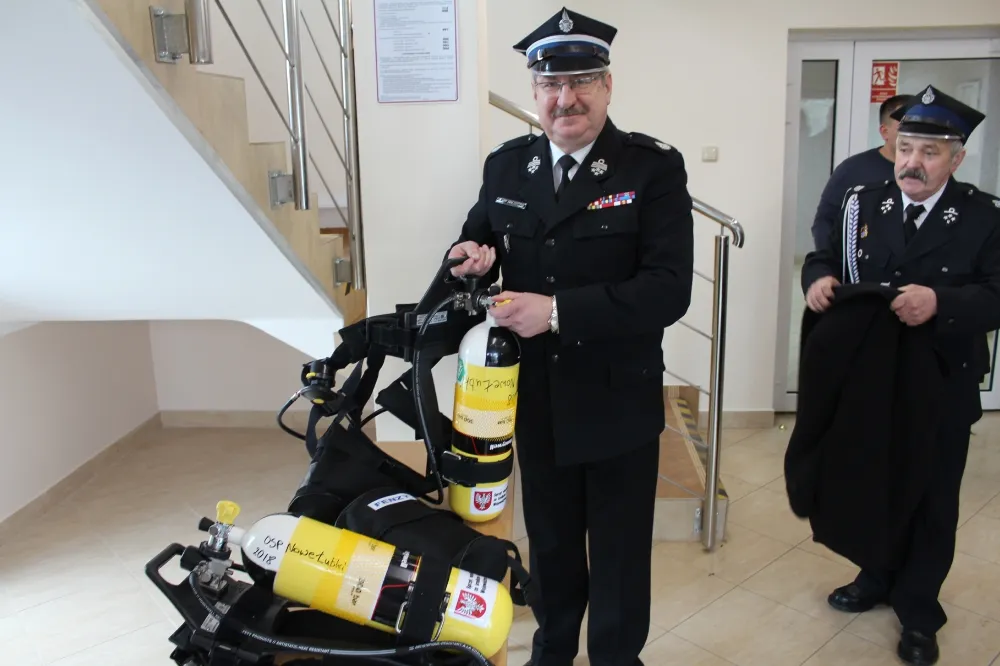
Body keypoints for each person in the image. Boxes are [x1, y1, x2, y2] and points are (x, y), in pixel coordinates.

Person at [446, 7, 694, 666]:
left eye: (582, 81)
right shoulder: (508, 168)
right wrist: (470, 259)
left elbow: (669, 290)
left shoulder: (651, 170)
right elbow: (477, 241)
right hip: (537, 397)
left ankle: (616, 658)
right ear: (534, 91)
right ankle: (551, 652)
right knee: (551, 545)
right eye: (551, 84)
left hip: (618, 397)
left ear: (607, 85)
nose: (566, 98)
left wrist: (557, 312)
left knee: (618, 551)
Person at [801, 84, 1000, 666]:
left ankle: (918, 608)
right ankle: (876, 575)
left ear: (956, 158)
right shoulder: (862, 203)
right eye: (906, 147)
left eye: (929, 152)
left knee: (932, 497)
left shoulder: (984, 216)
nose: (912, 162)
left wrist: (941, 302)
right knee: (874, 483)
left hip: (941, 379)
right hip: (871, 376)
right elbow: (824, 254)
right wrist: (817, 279)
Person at [810, 94, 912, 250]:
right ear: (884, 132)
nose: (913, 134)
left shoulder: (930, 171)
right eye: (905, 126)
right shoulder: (852, 170)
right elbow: (825, 222)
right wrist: (828, 262)